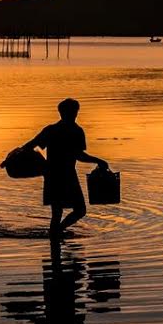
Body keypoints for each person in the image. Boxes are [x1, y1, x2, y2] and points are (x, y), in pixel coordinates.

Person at [21, 98, 108, 236]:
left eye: (74, 111)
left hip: (53, 174)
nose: (73, 114)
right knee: (77, 210)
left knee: (59, 212)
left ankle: (55, 236)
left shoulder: (52, 130)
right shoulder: (75, 131)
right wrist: (99, 161)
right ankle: (57, 233)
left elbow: (30, 145)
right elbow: (79, 155)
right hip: (64, 175)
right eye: (72, 111)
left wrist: (14, 157)